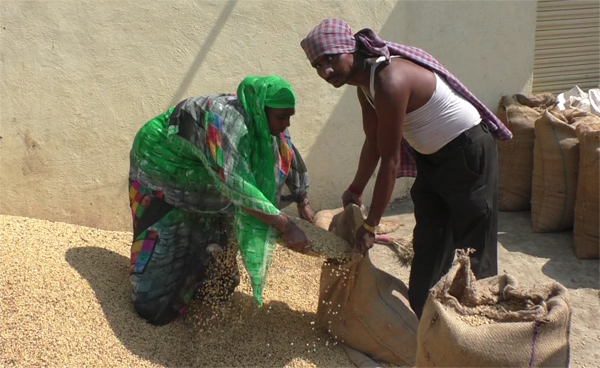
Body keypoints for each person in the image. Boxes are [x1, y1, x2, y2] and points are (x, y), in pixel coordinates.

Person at [301, 19, 512, 318]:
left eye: (330, 59)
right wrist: (356, 188)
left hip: (467, 151)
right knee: (430, 236)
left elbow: (390, 160)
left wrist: (371, 225)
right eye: (317, 66)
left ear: (350, 49)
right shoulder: (365, 86)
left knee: (474, 242)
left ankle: (479, 322)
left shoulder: (389, 80)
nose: (326, 71)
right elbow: (373, 141)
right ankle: (423, 317)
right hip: (432, 158)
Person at [128, 75, 314, 325]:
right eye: (282, 117)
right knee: (156, 294)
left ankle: (206, 285)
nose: (285, 124)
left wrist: (303, 200)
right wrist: (285, 225)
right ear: (262, 109)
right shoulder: (223, 124)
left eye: (289, 116)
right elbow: (237, 186)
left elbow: (286, 153)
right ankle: (163, 292)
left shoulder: (266, 121)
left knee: (221, 236)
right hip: (161, 170)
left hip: (203, 176)